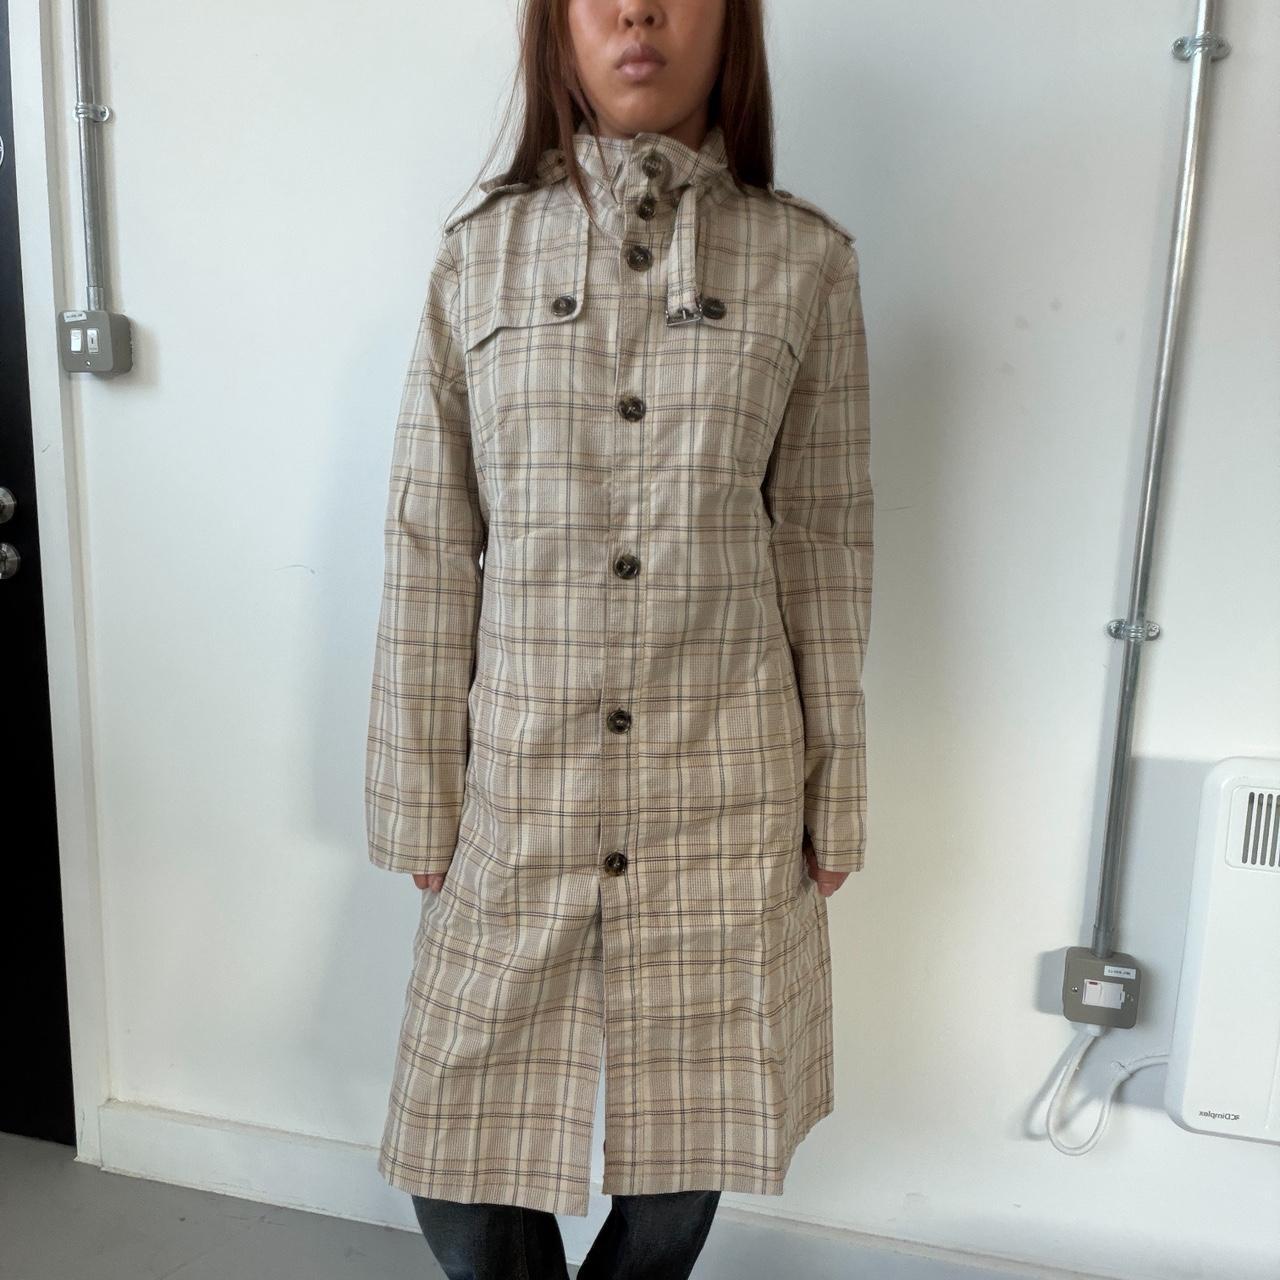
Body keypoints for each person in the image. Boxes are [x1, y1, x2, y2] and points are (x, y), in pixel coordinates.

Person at [364, 0, 873, 1275]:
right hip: (522, 780)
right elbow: (430, 539)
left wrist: (835, 793)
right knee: (456, 1163)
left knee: (686, 1143)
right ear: (557, 28)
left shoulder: (805, 261)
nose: (638, 12)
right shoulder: (476, 257)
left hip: (724, 781)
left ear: (731, 25)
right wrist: (420, 793)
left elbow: (823, 544)